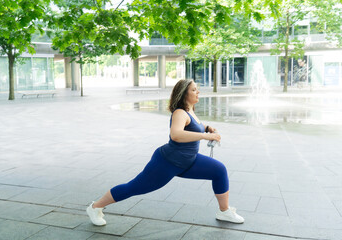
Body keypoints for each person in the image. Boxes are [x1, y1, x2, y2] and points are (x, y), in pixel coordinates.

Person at [86, 79, 244, 226]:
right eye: (194, 90)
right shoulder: (179, 113)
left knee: (219, 170)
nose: (198, 92)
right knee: (134, 188)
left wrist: (206, 128)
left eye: (197, 89)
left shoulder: (190, 111)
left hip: (188, 161)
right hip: (168, 162)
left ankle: (224, 212)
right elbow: (176, 134)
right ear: (184, 94)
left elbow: (193, 127)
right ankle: (95, 207)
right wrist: (205, 135)